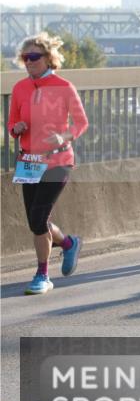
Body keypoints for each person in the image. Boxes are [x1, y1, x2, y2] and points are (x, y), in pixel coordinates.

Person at [7, 33, 88, 295]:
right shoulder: (19, 88)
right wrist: (15, 128)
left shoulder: (64, 86)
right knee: (35, 221)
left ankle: (42, 275)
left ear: (48, 58)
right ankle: (68, 243)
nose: (28, 61)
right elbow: (11, 123)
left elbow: (81, 123)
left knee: (40, 216)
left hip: (58, 160)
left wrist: (63, 136)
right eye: (24, 57)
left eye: (33, 57)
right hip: (29, 161)